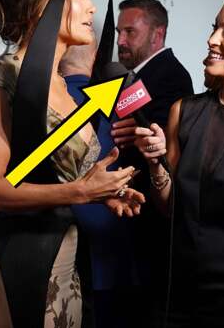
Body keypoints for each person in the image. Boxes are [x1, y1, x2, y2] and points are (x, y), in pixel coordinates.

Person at [0, 0, 145, 328]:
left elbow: (57, 176)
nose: (91, 7)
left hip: (65, 266)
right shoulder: (5, 78)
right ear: (44, 4)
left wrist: (105, 193)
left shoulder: (63, 86)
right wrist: (81, 192)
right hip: (15, 267)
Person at [129, 0, 224, 328]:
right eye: (214, 28)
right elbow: (170, 207)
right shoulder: (184, 111)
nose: (212, 39)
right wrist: (156, 164)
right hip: (174, 294)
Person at [111, 0, 194, 325]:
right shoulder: (132, 78)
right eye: (118, 32)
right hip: (126, 224)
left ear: (157, 34)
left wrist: (137, 131)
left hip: (150, 226)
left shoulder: (172, 76)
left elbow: (163, 145)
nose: (120, 40)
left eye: (129, 32)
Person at [60, 39, 141, 328]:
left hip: (57, 254)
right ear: (97, 58)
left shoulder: (44, 101)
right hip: (110, 253)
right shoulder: (122, 106)